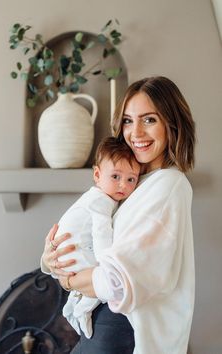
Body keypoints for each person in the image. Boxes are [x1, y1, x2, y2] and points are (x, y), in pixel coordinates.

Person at [41, 76, 196, 354]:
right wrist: (53, 259)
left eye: (149, 120)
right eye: (127, 120)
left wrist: (66, 280)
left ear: (171, 123)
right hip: (106, 325)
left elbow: (115, 283)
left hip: (122, 329)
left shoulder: (169, 185)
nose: (135, 132)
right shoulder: (132, 185)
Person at [43, 136, 141, 339]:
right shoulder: (101, 201)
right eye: (115, 176)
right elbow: (101, 233)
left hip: (68, 251)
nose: (123, 184)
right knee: (100, 276)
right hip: (70, 252)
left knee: (96, 278)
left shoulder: (99, 196)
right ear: (97, 174)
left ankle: (75, 305)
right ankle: (81, 310)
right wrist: (107, 263)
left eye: (131, 179)